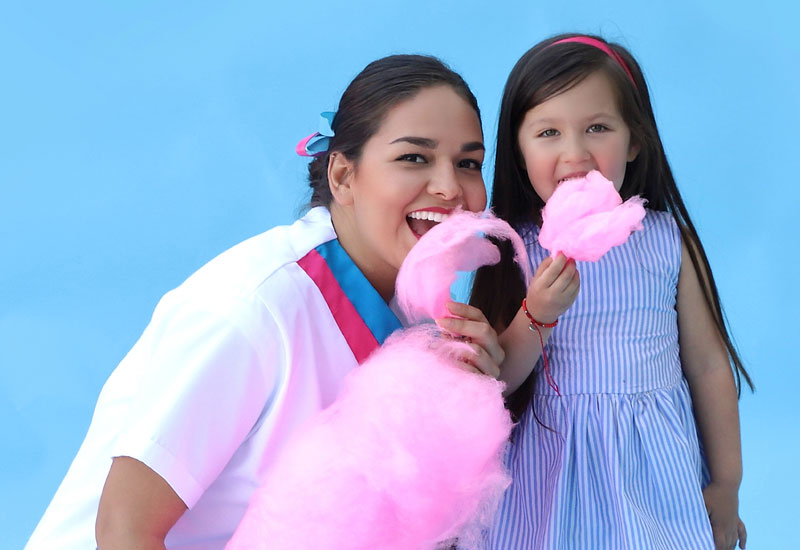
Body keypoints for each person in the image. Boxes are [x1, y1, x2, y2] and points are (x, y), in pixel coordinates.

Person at [26, 54, 505, 550]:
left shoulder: (419, 324)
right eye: (414, 158)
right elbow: (123, 529)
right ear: (343, 176)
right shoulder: (255, 305)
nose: (450, 188)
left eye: (468, 164)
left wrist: (472, 397)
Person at [470, 34, 753, 550]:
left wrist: (727, 483)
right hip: (547, 468)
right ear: (518, 149)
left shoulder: (668, 242)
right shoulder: (513, 250)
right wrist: (538, 313)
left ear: (635, 141)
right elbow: (496, 383)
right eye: (548, 132)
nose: (575, 154)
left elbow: (709, 366)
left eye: (597, 128)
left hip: (651, 464)